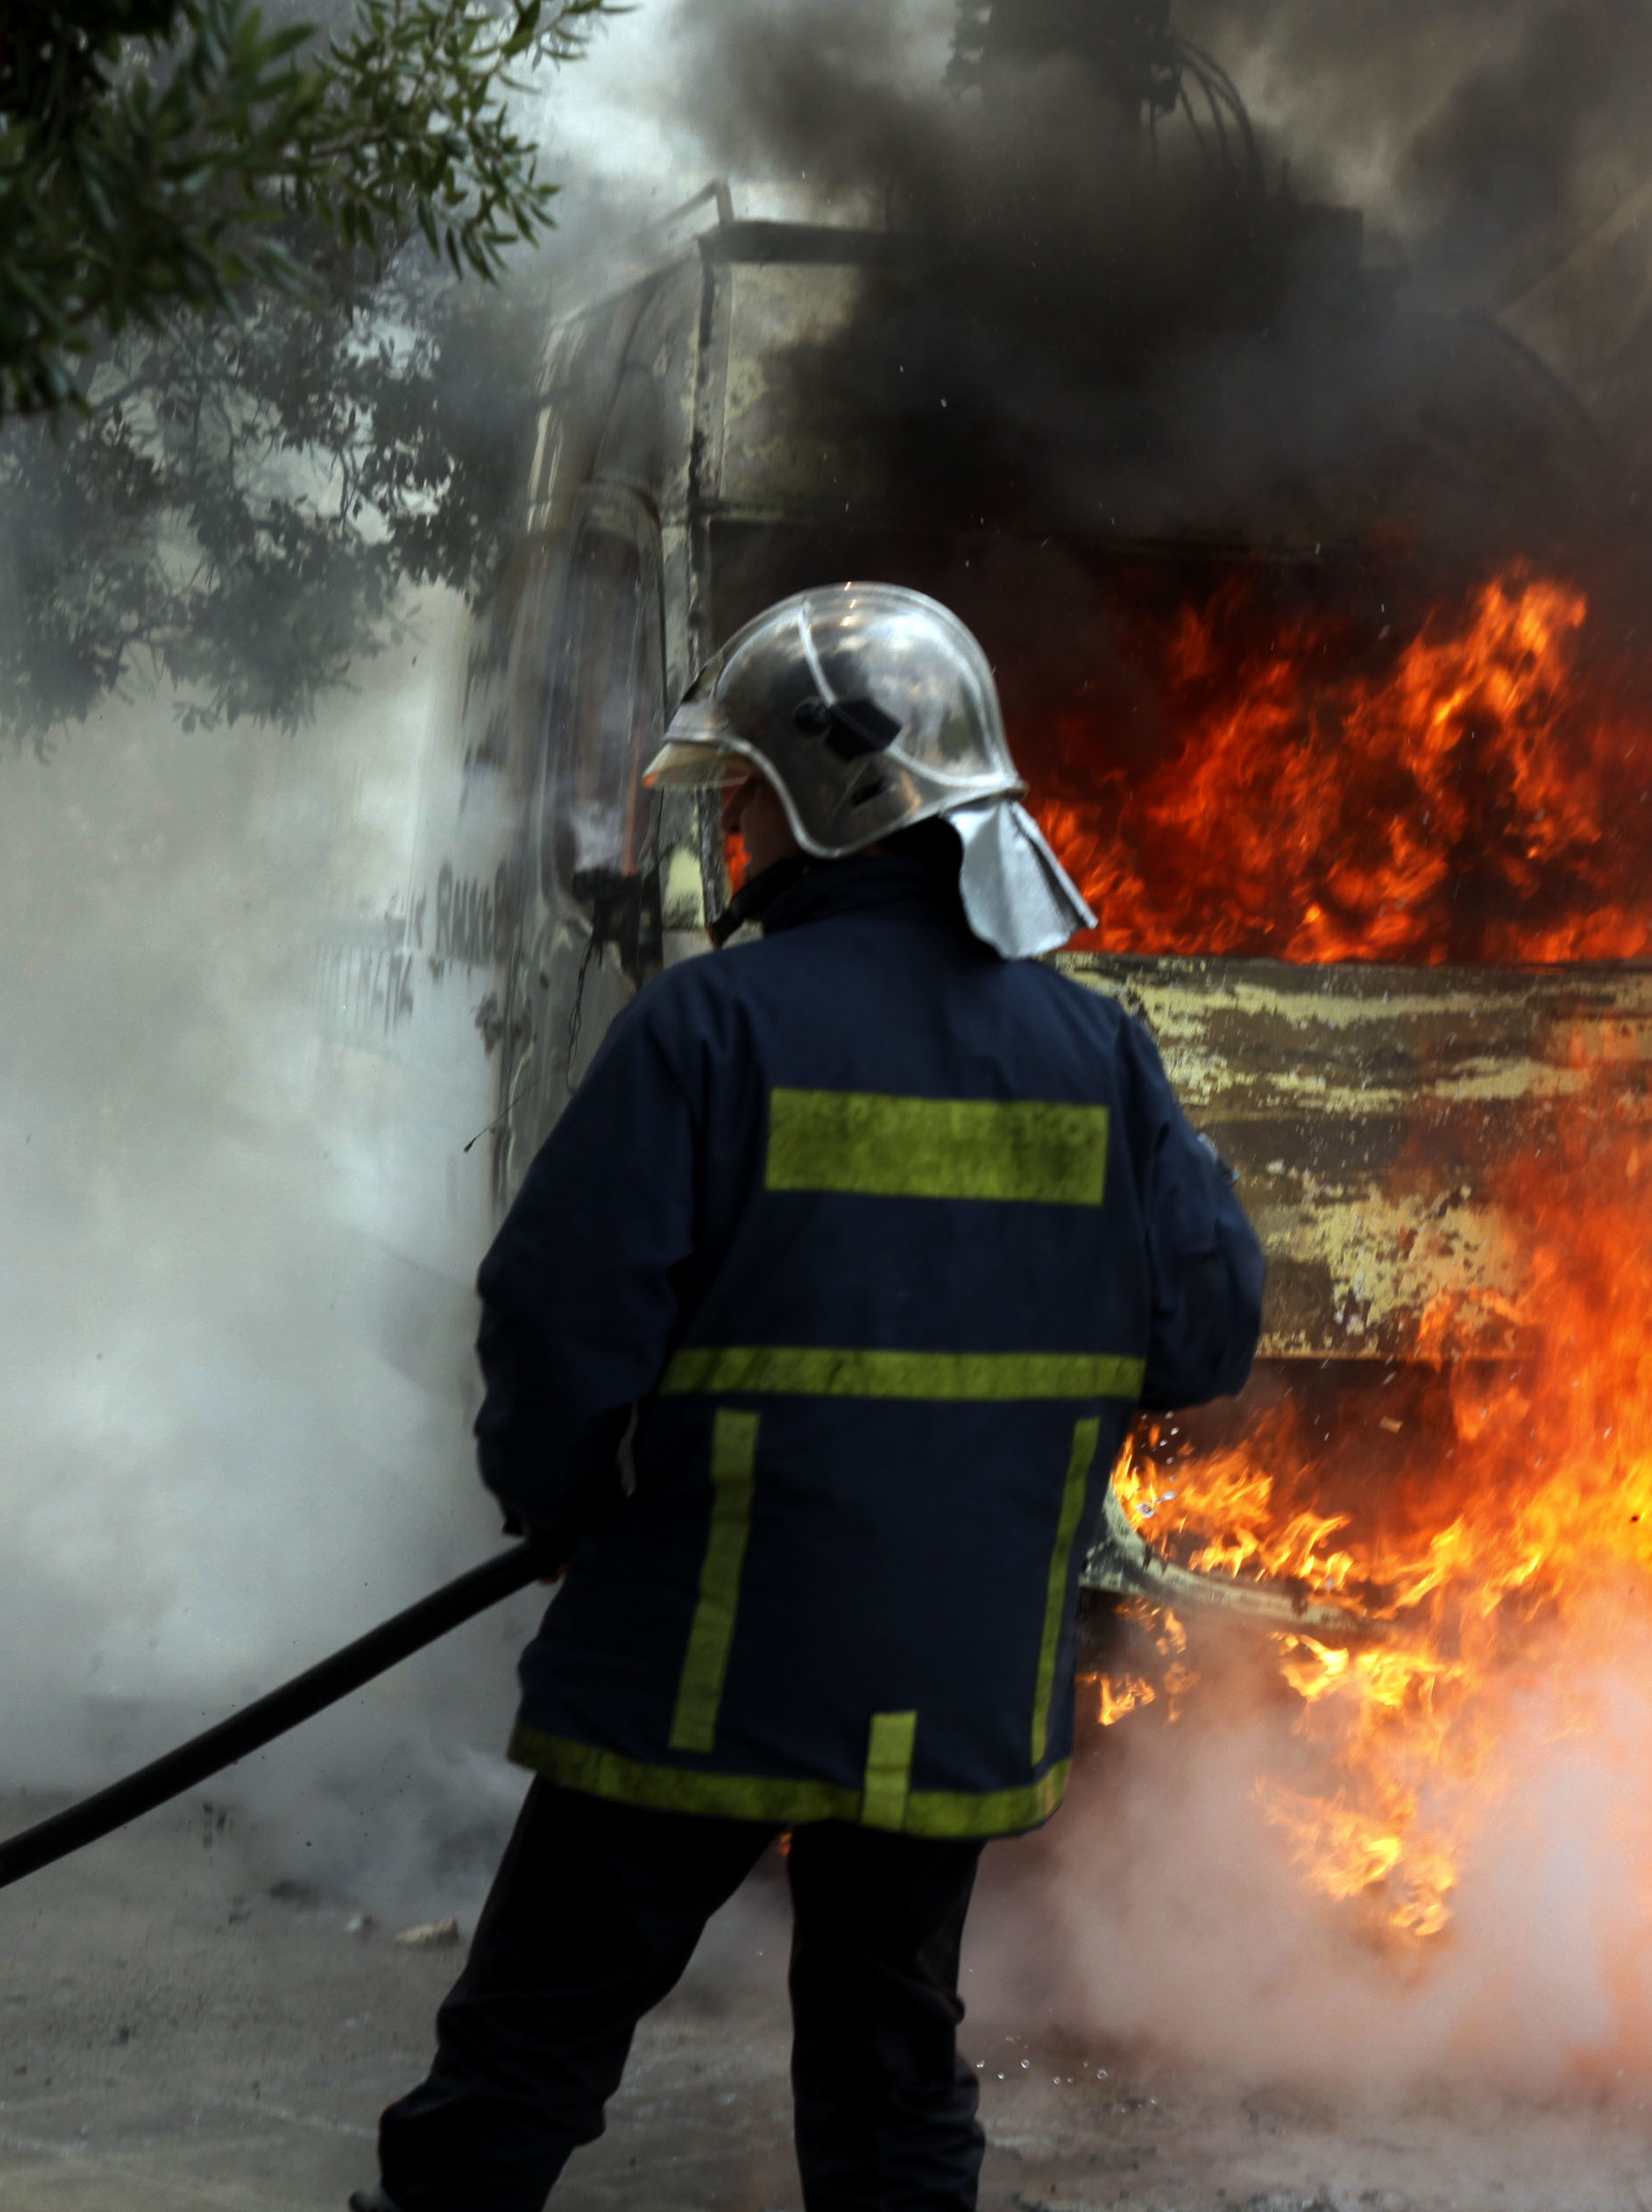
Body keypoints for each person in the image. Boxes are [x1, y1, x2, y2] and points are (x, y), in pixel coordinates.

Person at [360, 584, 1263, 2212]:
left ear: (835, 798)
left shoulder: (707, 1027)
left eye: (755, 797)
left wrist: (554, 1502)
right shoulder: (1104, 1056)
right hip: (955, 1682)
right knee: (893, 2074)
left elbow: (558, 1321)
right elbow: (1202, 1340)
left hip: (697, 1665)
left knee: (530, 2049)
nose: (743, 835)